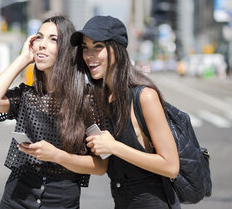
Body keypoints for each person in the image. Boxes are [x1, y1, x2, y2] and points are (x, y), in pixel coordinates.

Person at [0, 15, 107, 209]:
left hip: (61, 199)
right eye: (38, 38)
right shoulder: (27, 95)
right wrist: (23, 59)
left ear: (67, 50)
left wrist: (57, 156)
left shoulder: (87, 100)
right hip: (17, 195)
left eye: (53, 39)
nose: (42, 45)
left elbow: (100, 166)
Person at [69, 15, 181, 209]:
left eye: (98, 47)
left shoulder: (144, 96)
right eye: (85, 48)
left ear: (117, 49)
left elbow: (171, 166)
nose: (89, 55)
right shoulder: (98, 98)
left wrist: (114, 147)